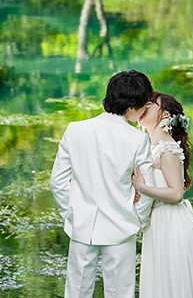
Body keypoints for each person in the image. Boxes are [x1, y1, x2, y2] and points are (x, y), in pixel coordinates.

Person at [50, 70, 157, 298]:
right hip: (122, 226)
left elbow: (57, 182)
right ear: (131, 107)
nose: (145, 110)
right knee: (120, 293)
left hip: (82, 225)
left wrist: (71, 214)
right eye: (143, 105)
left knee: (76, 292)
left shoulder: (75, 129)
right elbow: (147, 188)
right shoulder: (138, 139)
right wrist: (138, 219)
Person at [131, 91, 193, 298]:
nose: (143, 107)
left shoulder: (167, 149)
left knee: (174, 284)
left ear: (165, 114)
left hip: (171, 223)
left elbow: (176, 193)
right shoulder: (151, 148)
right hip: (157, 222)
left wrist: (142, 187)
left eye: (150, 104)